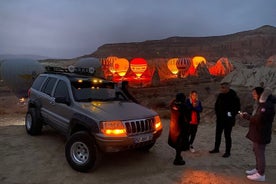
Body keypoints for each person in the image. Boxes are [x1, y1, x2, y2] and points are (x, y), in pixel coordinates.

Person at [241, 87, 276, 182]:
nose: (253, 96)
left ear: (260, 94)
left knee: (260, 153)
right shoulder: (263, 104)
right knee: (256, 151)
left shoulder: (266, 106)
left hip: (261, 133)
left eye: (255, 94)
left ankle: (261, 174)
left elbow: (258, 119)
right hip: (259, 132)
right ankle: (257, 169)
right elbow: (257, 117)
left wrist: (246, 116)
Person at [209, 82, 240, 158]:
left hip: (228, 121)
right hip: (220, 119)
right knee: (218, 134)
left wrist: (229, 115)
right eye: (221, 87)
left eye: (223, 87)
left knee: (227, 136)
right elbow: (216, 105)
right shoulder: (220, 95)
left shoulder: (234, 96)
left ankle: (227, 152)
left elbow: (237, 109)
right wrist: (218, 113)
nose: (222, 89)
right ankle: (216, 148)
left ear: (228, 87)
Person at [168, 92, 191, 165]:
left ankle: (178, 156)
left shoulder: (173, 105)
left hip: (174, 127)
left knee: (176, 142)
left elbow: (170, 104)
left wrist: (175, 99)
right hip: (181, 127)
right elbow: (188, 118)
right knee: (180, 143)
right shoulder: (184, 106)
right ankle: (177, 159)